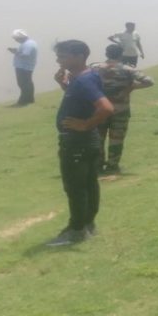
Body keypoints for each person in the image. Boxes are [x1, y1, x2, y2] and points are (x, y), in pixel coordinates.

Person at [47, 40, 114, 247]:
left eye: (62, 56)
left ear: (79, 56)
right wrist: (64, 85)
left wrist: (85, 125)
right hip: (86, 141)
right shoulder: (86, 76)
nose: (58, 60)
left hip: (77, 142)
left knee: (75, 188)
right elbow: (82, 100)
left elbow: (106, 108)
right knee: (89, 184)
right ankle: (87, 224)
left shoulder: (84, 81)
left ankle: (76, 230)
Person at [93, 44, 154, 174]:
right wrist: (131, 87)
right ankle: (113, 166)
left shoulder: (95, 68)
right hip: (120, 110)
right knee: (116, 139)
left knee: (98, 138)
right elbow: (149, 81)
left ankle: (97, 165)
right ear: (121, 55)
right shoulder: (128, 70)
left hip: (100, 109)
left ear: (106, 54)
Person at [7, 29, 38, 106]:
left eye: (16, 39)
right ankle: (30, 99)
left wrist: (15, 52)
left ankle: (23, 101)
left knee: (23, 84)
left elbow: (25, 55)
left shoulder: (28, 44)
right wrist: (17, 51)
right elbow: (24, 53)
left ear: (21, 38)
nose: (15, 40)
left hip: (24, 67)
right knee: (27, 83)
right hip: (25, 66)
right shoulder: (29, 43)